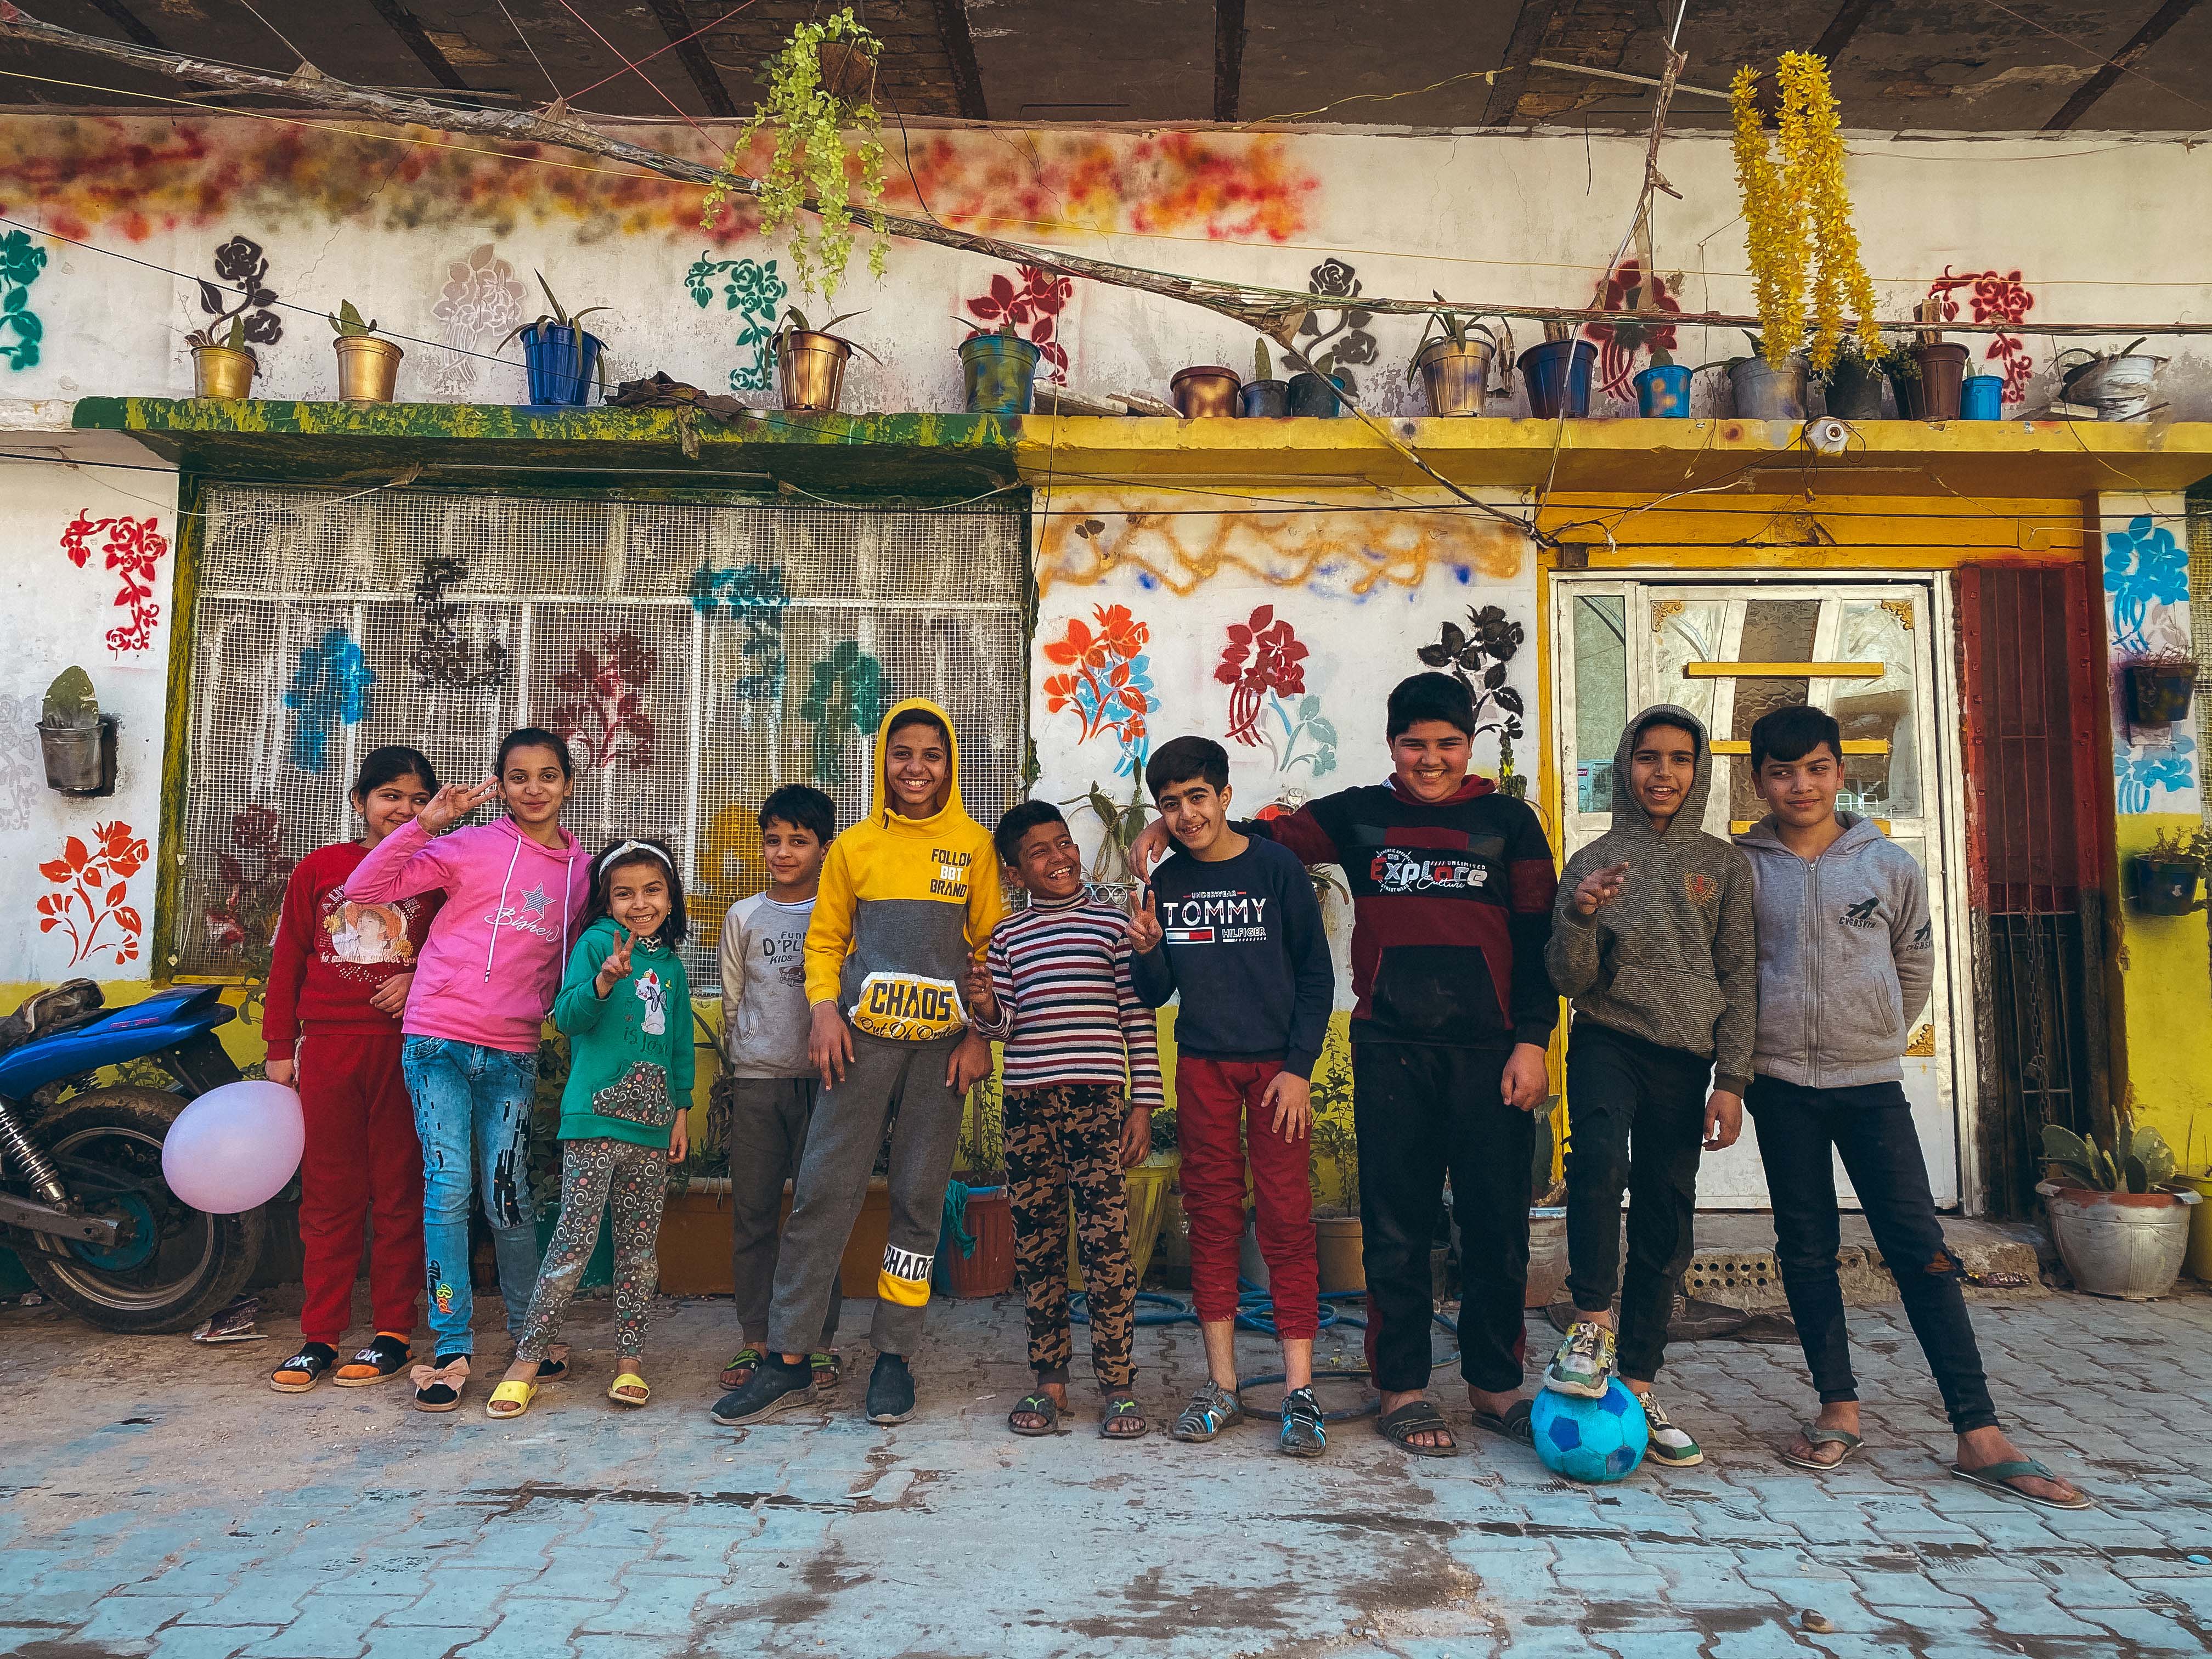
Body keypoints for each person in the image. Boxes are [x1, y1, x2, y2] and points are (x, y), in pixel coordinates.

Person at [1136, 672, 1559, 1456]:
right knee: (1394, 1226)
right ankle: (1400, 1387)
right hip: (1390, 1044)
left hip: (1492, 1052)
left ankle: (1496, 1388)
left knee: (1496, 1226)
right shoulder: (1361, 814)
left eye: (1447, 745)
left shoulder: (1510, 824)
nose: (1430, 760)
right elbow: (1263, 835)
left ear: (1471, 746)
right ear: (1392, 746)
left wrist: (1533, 1039)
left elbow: (1540, 943)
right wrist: (1172, 832)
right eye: (1414, 745)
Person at [1737, 704, 2087, 1510]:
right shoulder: (1743, 867)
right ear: (1758, 779)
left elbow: (1915, 965)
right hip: (1780, 1083)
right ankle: (1838, 1407)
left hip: (1870, 1085)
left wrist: (1880, 1034)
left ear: (1839, 771)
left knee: (1920, 1246)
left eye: (1817, 768)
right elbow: (1734, 970)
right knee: (1806, 1244)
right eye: (1782, 771)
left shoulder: (1888, 864)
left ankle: (1978, 1430)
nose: (1801, 785)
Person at [710, 700, 1002, 1429]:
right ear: (884, 763)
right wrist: (822, 1011)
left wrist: (980, 1037)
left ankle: (895, 1357)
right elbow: (825, 942)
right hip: (858, 1048)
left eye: (931, 755)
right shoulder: (853, 848)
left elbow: (991, 951)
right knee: (821, 1196)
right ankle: (788, 1357)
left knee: (917, 1200)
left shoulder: (972, 845)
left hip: (942, 1055)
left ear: (950, 764)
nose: (916, 768)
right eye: (902, 753)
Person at [349, 727, 590, 1413]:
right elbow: (365, 887)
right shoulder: (470, 847)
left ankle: (528, 1333)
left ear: (568, 784)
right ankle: (452, 1343)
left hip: (514, 1048)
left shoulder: (582, 872)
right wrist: (425, 826)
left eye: (548, 775)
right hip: (438, 1041)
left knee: (508, 1191)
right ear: (502, 785)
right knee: (449, 1184)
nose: (534, 789)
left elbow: (595, 944)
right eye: (519, 777)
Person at [1543, 704, 1755, 1469]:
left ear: (1699, 772)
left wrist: (1731, 1079)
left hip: (1685, 1057)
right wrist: (1580, 914)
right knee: (1597, 1162)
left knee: (1668, 1213)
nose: (1662, 773)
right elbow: (1569, 978)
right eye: (1646, 757)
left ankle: (1636, 1382)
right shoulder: (1594, 860)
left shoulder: (1723, 866)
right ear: (1623, 767)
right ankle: (1591, 1324)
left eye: (1679, 759)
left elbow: (1739, 977)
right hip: (1606, 1037)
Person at [1127, 736, 1334, 1458]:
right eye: (1170, 804)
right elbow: (1156, 993)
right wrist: (1148, 946)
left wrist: (1301, 1068)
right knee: (1211, 1220)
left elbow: (1316, 977)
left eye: (1196, 798)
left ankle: (1298, 1393)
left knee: (1285, 1221)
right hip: (1205, 1066)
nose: (1185, 815)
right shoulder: (1168, 882)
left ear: (1223, 796)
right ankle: (1220, 1385)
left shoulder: (1277, 869)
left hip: (1278, 1071)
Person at [967, 799, 1164, 1440]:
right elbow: (1002, 1028)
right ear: (1016, 875)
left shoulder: (1115, 928)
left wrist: (1143, 1106)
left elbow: (1138, 1020)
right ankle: (1049, 1381)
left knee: (1107, 1246)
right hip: (1027, 1105)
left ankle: (1119, 1385)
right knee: (1040, 1246)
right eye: (1040, 853)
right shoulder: (1006, 938)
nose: (1059, 858)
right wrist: (985, 1004)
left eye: (1064, 843)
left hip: (1098, 1105)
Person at [489, 840, 693, 1418]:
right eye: (624, 893)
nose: (640, 903)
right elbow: (568, 1015)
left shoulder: (672, 966)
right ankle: (527, 1361)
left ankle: (629, 1364)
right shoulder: (595, 945)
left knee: (638, 1253)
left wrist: (681, 1111)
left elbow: (679, 1045)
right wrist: (604, 981)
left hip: (652, 1129)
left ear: (670, 897)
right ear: (606, 899)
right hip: (596, 1121)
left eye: (653, 891)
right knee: (573, 1244)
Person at [264, 746, 443, 1393]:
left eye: (420, 798)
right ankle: (320, 1336)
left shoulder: (440, 872)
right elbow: (289, 959)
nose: (405, 809)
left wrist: (416, 975)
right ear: (359, 802)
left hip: (409, 1052)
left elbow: (463, 951)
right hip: (330, 1051)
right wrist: (280, 1047)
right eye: (392, 795)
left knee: (400, 1192)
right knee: (330, 1194)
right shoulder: (321, 869)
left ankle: (392, 1331)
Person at [716, 784, 844, 1401]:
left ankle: (817, 1340)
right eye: (774, 840)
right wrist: (747, 1057)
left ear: (825, 847)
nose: (784, 852)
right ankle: (757, 1336)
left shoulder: (841, 913)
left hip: (829, 1084)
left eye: (799, 840)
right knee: (755, 1212)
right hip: (758, 1083)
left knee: (819, 1213)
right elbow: (735, 999)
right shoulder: (743, 916)